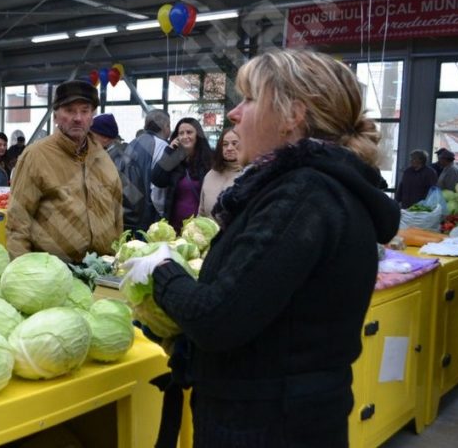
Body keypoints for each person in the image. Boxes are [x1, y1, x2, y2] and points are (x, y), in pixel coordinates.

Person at [123, 50, 400, 447]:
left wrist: (160, 269)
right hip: (291, 416)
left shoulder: (301, 196)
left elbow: (216, 319)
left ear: (292, 117)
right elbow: (267, 314)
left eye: (250, 100)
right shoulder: (321, 190)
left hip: (266, 426)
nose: (235, 114)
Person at [6, 80, 123, 263]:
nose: (78, 118)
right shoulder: (36, 156)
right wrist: (22, 269)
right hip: (54, 270)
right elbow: (17, 222)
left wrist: (119, 258)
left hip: (102, 267)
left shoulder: (102, 157)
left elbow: (117, 214)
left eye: (85, 111)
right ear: (56, 116)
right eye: (69, 110)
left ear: (92, 117)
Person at [151, 117, 214, 232]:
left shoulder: (209, 161)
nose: (185, 136)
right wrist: (169, 151)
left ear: (198, 135)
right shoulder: (174, 161)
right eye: (181, 133)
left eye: (189, 132)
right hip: (174, 227)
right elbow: (157, 179)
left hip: (200, 229)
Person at [120, 110, 171, 235]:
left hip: (127, 214)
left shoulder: (132, 143)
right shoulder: (161, 146)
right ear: (165, 126)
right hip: (147, 218)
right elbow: (157, 189)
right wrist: (162, 215)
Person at [199, 127, 242, 217]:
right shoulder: (210, 175)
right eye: (225, 144)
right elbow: (201, 212)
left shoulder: (250, 175)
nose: (229, 148)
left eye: (234, 143)